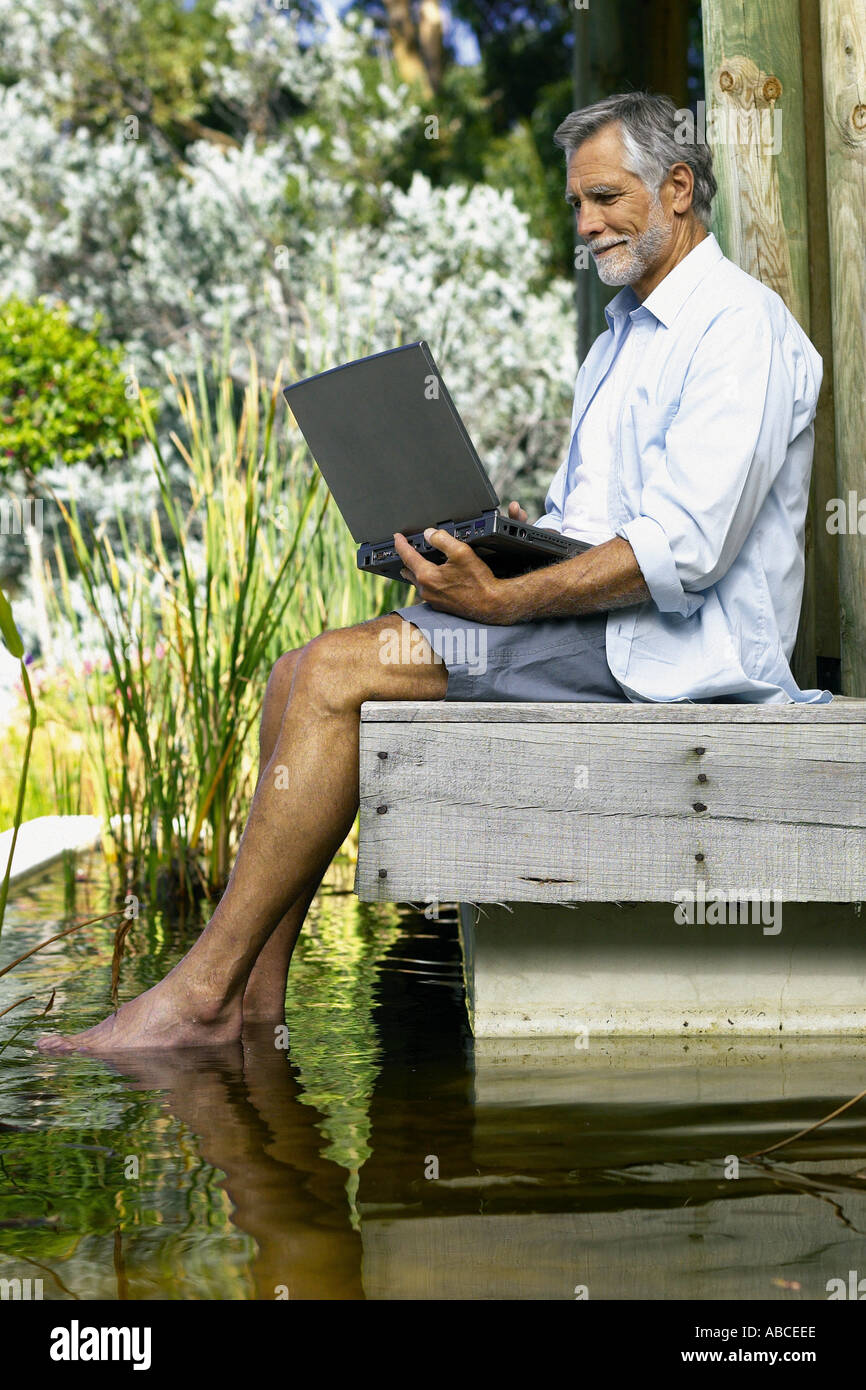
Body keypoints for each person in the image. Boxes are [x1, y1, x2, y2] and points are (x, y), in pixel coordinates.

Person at [38, 91, 827, 1053]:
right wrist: (507, 540)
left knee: (335, 674)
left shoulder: (738, 329)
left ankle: (199, 992)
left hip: (664, 654)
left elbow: (683, 552)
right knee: (295, 670)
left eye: (606, 199)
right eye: (576, 204)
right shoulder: (621, 340)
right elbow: (603, 527)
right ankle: (253, 1004)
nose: (586, 225)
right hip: (589, 625)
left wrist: (501, 596)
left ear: (677, 187)